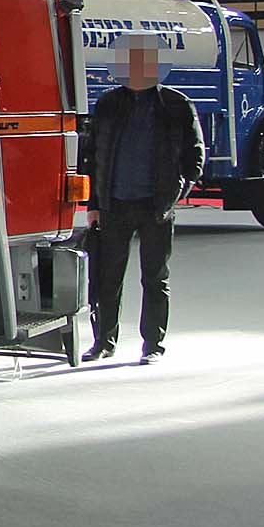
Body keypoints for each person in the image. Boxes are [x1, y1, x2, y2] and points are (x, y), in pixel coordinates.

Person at [84, 36, 206, 365]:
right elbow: (92, 155)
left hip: (156, 205)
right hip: (114, 204)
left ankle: (153, 344)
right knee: (107, 278)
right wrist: (93, 204)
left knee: (155, 278)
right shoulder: (108, 105)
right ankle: (103, 342)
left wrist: (177, 192)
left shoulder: (177, 105)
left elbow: (195, 156)